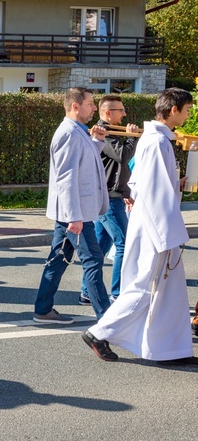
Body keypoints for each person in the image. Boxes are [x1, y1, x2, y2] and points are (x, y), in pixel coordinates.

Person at [83, 88, 197, 365]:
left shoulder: (155, 139)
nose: (189, 114)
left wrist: (178, 185)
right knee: (145, 286)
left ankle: (169, 349)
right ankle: (99, 332)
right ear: (173, 110)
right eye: (188, 109)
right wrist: (170, 234)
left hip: (153, 225)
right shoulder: (157, 142)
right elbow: (154, 194)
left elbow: (145, 184)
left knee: (167, 293)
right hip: (157, 228)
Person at [34, 87, 110, 324]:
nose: (94, 108)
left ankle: (43, 309)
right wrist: (74, 217)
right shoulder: (69, 133)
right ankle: (107, 320)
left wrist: (97, 142)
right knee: (93, 261)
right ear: (75, 106)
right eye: (90, 103)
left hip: (73, 212)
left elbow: (84, 163)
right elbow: (66, 178)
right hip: (76, 214)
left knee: (58, 259)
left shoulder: (78, 131)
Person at [79, 95, 140, 306]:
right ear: (107, 113)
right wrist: (132, 138)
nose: (124, 114)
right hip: (108, 199)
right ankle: (117, 293)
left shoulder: (111, 132)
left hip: (112, 196)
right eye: (120, 110)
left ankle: (87, 291)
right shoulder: (103, 133)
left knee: (99, 247)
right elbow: (123, 156)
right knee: (124, 244)